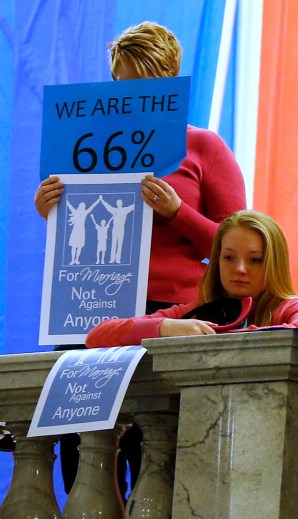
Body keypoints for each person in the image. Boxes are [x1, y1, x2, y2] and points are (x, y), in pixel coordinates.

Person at [35, 21, 246, 308]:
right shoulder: (87, 147)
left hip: (177, 309)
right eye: (126, 87)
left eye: (148, 87)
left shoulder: (205, 147)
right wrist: (54, 212)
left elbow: (239, 250)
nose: (136, 100)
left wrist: (178, 212)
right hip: (93, 303)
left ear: (172, 82)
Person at [86, 210, 298, 347]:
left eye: (255, 260)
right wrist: (166, 327)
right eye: (229, 258)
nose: (239, 269)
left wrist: (213, 336)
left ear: (274, 264)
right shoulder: (195, 312)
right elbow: (97, 336)